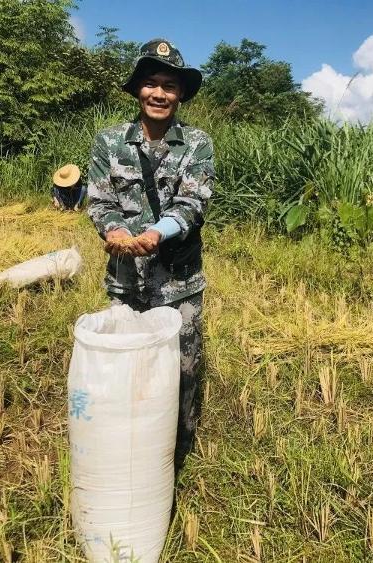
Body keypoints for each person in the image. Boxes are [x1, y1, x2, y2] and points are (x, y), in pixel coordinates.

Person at [85, 38, 214, 473]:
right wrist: (116, 230)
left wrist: (157, 233)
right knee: (125, 370)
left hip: (179, 282)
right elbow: (99, 200)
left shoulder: (196, 144)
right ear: (138, 89)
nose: (159, 93)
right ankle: (128, 455)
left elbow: (193, 202)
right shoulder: (109, 141)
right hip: (126, 279)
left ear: (180, 94)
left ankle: (176, 457)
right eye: (151, 83)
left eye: (169, 86)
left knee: (182, 370)